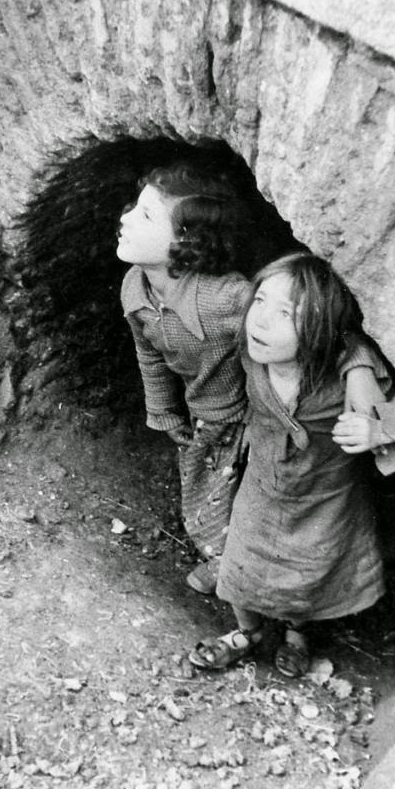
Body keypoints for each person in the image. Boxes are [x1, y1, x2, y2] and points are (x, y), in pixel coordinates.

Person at [189, 251, 395, 676]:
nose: (261, 320)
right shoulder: (251, 356)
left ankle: (298, 633)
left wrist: (378, 430)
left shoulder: (341, 374)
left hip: (326, 499)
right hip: (262, 491)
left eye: (286, 313)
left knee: (308, 573)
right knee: (244, 565)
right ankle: (248, 632)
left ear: (320, 330)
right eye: (260, 301)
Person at [117, 162, 256, 594]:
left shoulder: (227, 297)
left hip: (254, 416)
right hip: (206, 415)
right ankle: (227, 559)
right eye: (134, 208)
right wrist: (162, 409)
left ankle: (243, 574)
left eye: (144, 216)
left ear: (186, 241)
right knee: (204, 492)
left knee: (260, 497)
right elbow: (150, 354)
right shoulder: (135, 288)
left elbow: (295, 327)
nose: (124, 218)